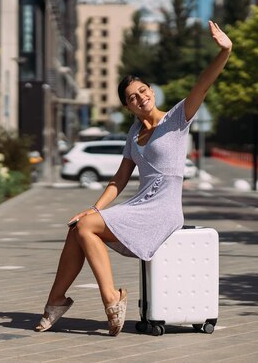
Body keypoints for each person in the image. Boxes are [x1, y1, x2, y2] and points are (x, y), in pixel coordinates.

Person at [35, 21, 232, 336]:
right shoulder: (133, 134)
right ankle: (57, 300)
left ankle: (111, 298)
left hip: (162, 210)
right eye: (132, 97)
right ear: (128, 107)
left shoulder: (177, 119)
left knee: (86, 227)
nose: (140, 98)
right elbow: (118, 180)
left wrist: (224, 51)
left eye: (143, 91)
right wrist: (93, 209)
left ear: (151, 91)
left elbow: (203, 83)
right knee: (79, 228)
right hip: (140, 205)